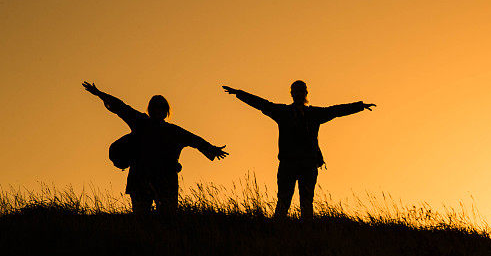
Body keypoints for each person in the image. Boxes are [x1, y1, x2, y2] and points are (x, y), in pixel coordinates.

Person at [222, 81, 375, 220]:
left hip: (308, 165)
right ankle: (278, 232)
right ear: (292, 94)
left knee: (307, 202)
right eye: (296, 91)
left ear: (306, 94)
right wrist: (239, 94)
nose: (299, 94)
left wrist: (359, 106)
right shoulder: (283, 112)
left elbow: (335, 110)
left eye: (301, 91)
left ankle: (306, 232)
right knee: (283, 201)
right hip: (288, 164)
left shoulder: (314, 114)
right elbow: (262, 104)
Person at [82, 81, 228, 214]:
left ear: (166, 111)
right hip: (141, 178)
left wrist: (212, 149)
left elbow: (196, 140)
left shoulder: (173, 131)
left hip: (165, 180)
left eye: (161, 108)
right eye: (155, 107)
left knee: (167, 218)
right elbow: (120, 107)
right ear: (150, 109)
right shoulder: (140, 122)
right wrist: (99, 94)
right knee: (141, 217)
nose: (158, 110)